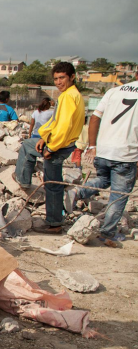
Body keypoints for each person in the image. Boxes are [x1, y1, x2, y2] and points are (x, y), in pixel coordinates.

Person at [64, 80, 138, 246]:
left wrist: (92, 145)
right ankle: (107, 233)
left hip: (104, 150)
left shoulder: (114, 91)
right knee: (119, 195)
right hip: (126, 153)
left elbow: (95, 117)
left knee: (104, 180)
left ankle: (78, 191)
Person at [15, 62, 85, 234]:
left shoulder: (68, 97)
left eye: (62, 78)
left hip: (59, 146)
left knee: (52, 184)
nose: (58, 82)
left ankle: (54, 223)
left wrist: (51, 148)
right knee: (30, 146)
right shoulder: (72, 95)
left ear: (72, 77)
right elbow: (56, 123)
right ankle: (24, 181)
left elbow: (64, 127)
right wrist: (44, 138)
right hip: (60, 143)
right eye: (56, 79)